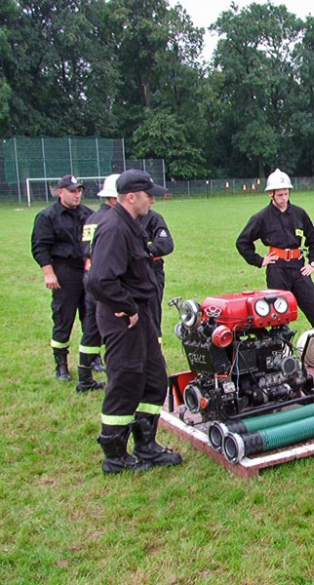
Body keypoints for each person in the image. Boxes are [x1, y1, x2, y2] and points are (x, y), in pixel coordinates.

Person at [88, 169, 182, 473]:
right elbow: (100, 280)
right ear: (131, 197)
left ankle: (147, 446)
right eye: (148, 194)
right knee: (126, 380)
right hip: (123, 318)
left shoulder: (132, 225)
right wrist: (127, 307)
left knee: (154, 378)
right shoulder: (114, 228)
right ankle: (114, 456)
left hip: (139, 315)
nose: (152, 199)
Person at [236, 169, 314, 332]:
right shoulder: (261, 217)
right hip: (277, 270)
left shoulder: (299, 214)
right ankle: (279, 352)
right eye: (280, 195)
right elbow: (242, 242)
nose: (284, 198)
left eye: (286, 193)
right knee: (278, 315)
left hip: (299, 268)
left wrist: (312, 262)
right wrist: (259, 260)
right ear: (270, 194)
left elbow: (313, 238)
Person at [31, 175, 95, 384]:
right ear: (60, 192)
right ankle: (61, 365)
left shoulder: (88, 214)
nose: (77, 195)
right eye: (72, 191)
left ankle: (92, 358)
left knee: (91, 317)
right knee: (63, 319)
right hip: (64, 272)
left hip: (87, 271)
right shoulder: (47, 216)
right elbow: (40, 247)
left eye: (79, 191)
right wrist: (48, 272)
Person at [77, 175, 124, 393]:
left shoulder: (92, 218)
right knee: (115, 329)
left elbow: (85, 249)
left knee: (91, 328)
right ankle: (118, 376)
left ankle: (84, 376)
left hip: (90, 277)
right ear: (115, 199)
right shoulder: (112, 221)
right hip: (106, 279)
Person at [139, 208, 174, 342]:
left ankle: (154, 356)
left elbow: (166, 244)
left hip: (151, 271)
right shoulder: (114, 220)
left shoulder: (153, 218)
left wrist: (143, 251)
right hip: (125, 274)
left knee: (152, 316)